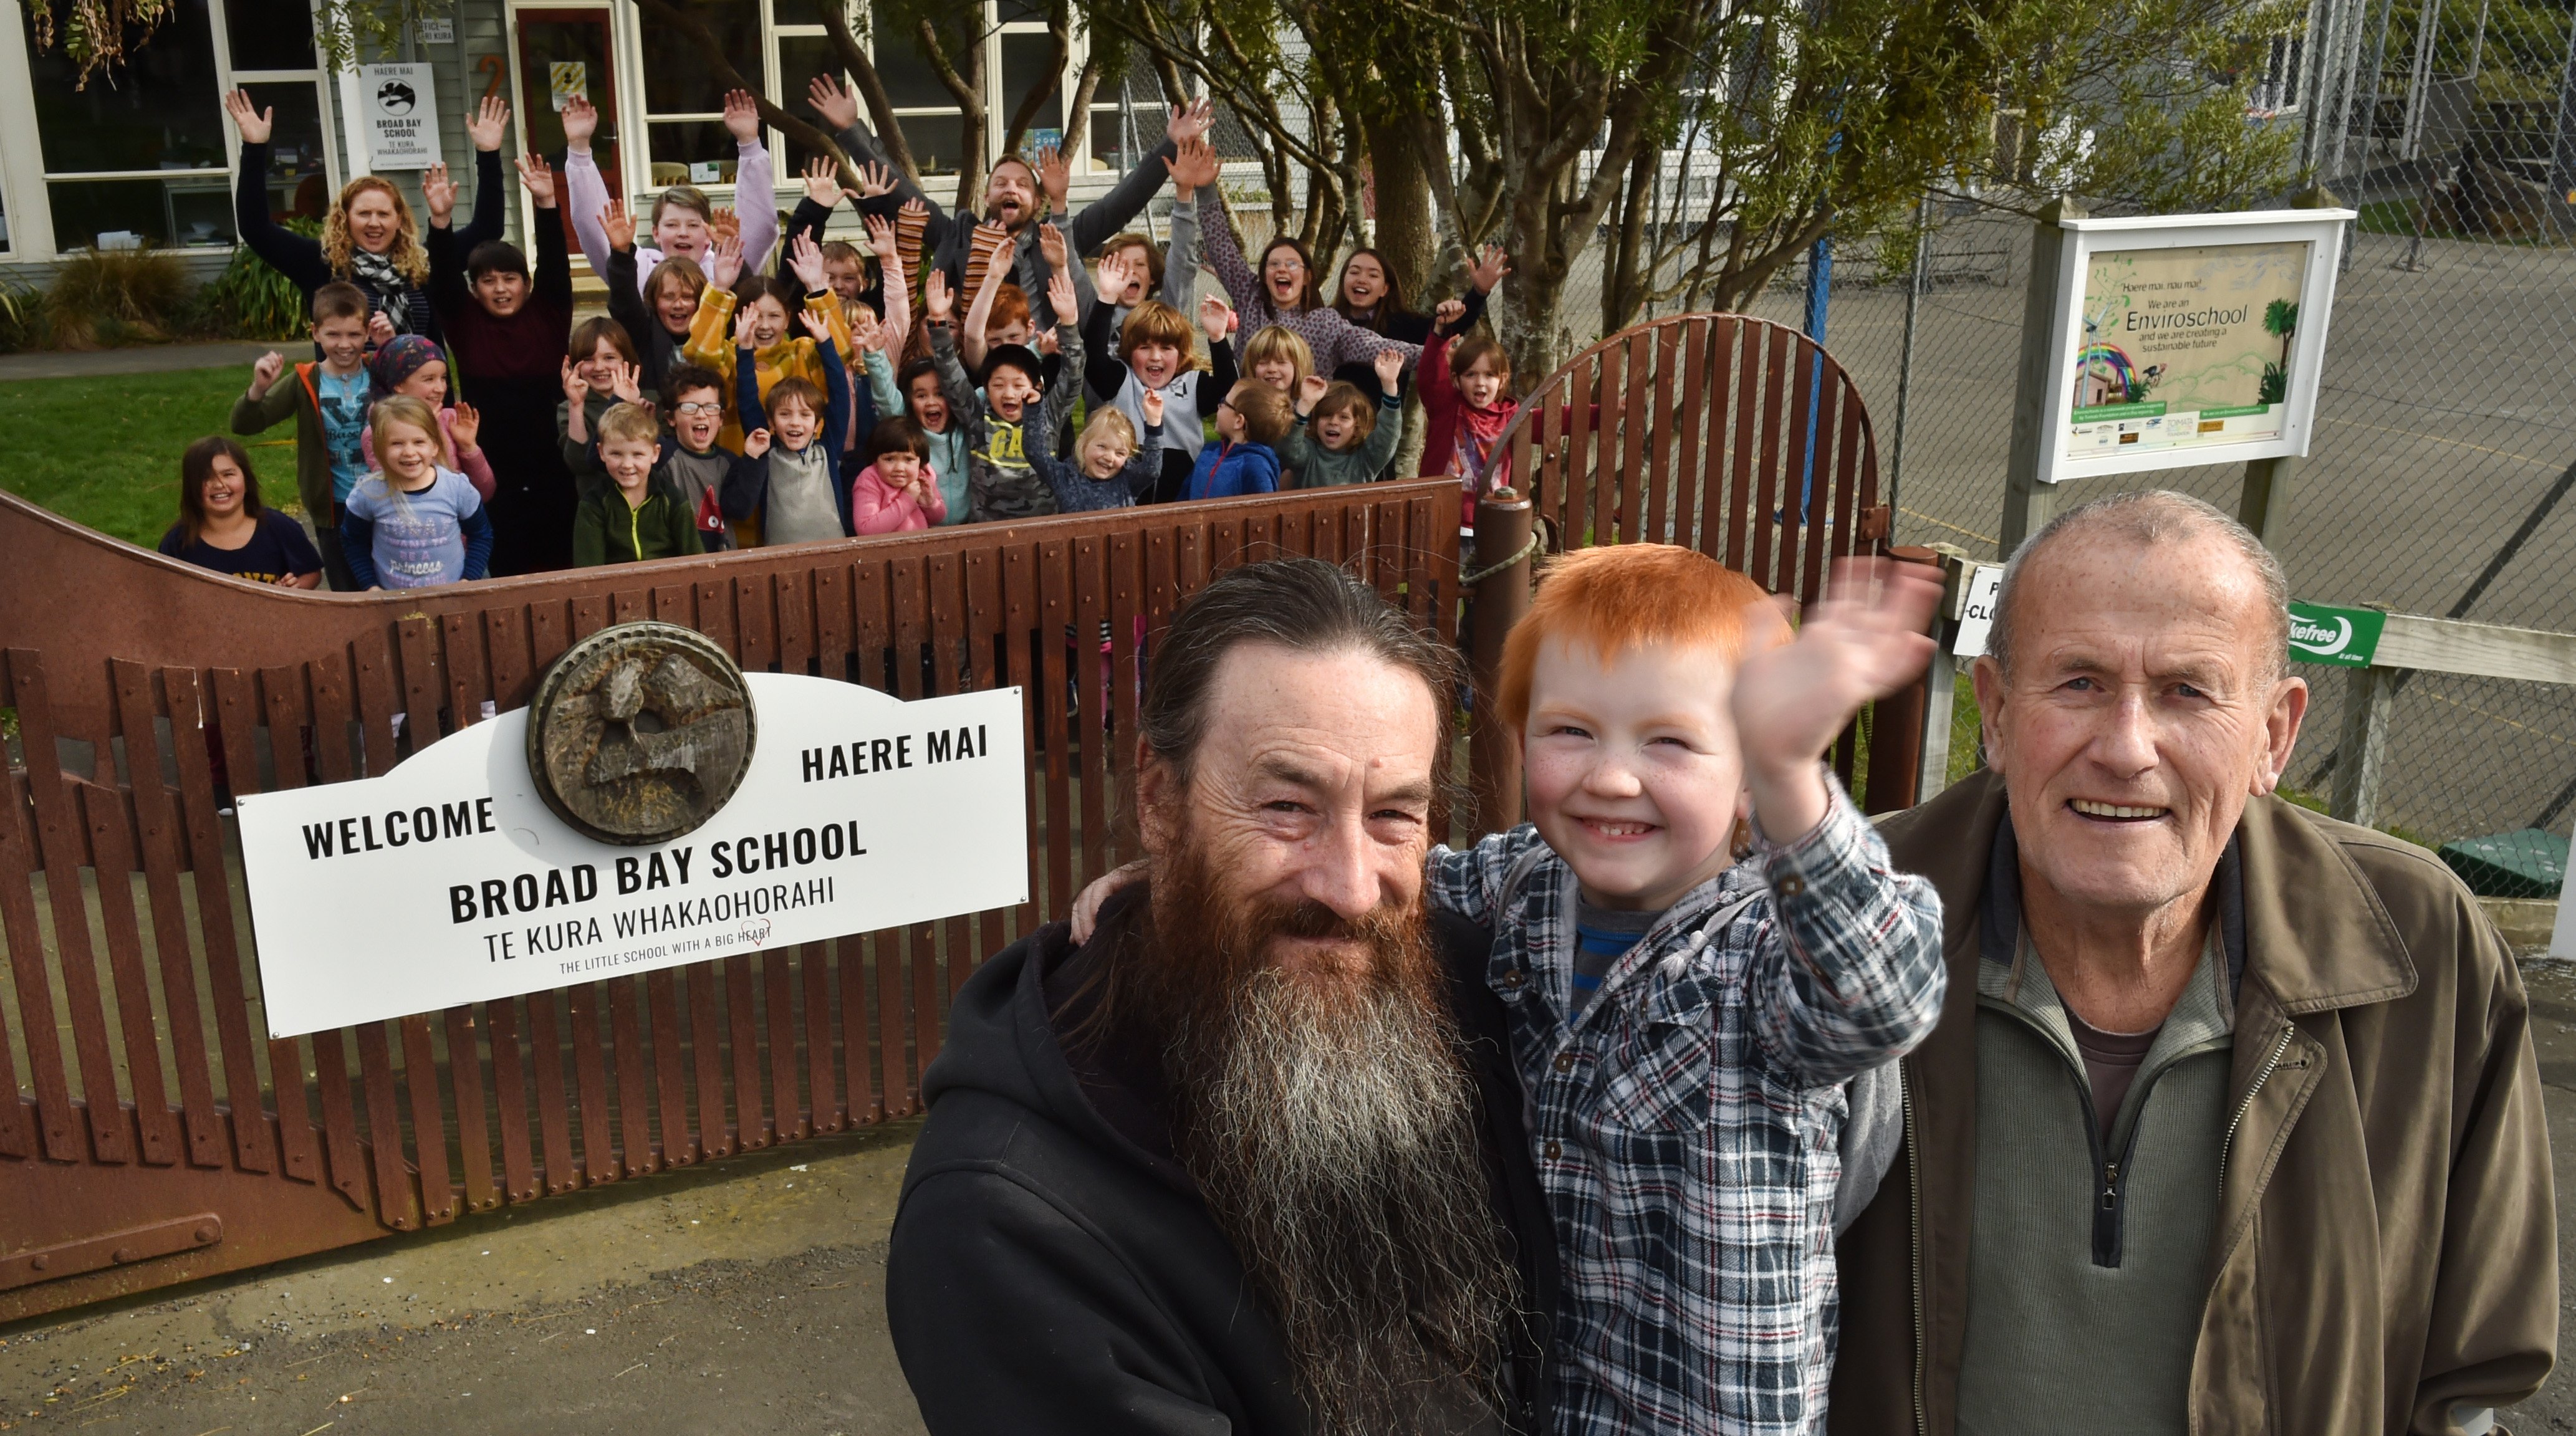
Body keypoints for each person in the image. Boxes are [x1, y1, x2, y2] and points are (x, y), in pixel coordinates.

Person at [1075, 543, 1950, 1435]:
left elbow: (1884, 992)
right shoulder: (1524, 884)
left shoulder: (1762, 953)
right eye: (1571, 730)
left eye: (1672, 741)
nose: (1611, 776)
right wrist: (1175, 872)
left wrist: (1795, 780)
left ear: (1744, 789)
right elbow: (1368, 890)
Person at [1829, 491, 2558, 1436]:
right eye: (2079, 682)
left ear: (2274, 735)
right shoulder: (1833, 924)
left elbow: (2473, 1370)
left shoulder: (2419, 944)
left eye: (2187, 691)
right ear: (1999, 715)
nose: (2127, 749)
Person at [888, 557, 1558, 1436]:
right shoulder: (1002, 1221)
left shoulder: (1476, 986)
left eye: (1395, 814)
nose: (1353, 889)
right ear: (1161, 800)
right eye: (1287, 806)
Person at [806, 74, 1212, 330]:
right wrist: (851, 131)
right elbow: (902, 190)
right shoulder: (957, 234)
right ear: (987, 196)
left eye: (1021, 184)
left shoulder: (1059, 238)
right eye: (1000, 183)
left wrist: (1172, 144)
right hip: (975, 377)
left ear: (1036, 200)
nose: (1010, 189)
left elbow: (1122, 202)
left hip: (1047, 378)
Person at [223, 91, 508, 345]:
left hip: (423, 400)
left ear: (400, 220)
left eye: (384, 214)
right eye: (364, 214)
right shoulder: (322, 265)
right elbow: (255, 227)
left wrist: (488, 154)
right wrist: (254, 147)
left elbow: (488, 229)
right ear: (345, 219)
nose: (375, 223)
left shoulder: (425, 263)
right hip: (353, 401)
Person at [426, 141, 575, 575]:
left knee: (559, 560)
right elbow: (442, 277)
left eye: (510, 278)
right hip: (491, 468)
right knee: (505, 562)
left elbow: (554, 264)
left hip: (553, 463)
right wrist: (440, 222)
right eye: (488, 281)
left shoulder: (548, 314)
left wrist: (547, 204)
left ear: (526, 285)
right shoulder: (464, 321)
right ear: (475, 290)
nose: (501, 288)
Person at [1198, 162, 1419, 379]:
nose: (1282, 269)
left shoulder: (1325, 323)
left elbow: (1375, 347)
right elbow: (1221, 246)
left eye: (1292, 264)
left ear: (1307, 277)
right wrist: (1205, 187)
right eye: (1273, 264)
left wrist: (1436, 355)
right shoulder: (1251, 298)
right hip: (1250, 410)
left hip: (1304, 414)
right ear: (1264, 276)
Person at [228, 282, 373, 591]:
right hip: (335, 507)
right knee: (347, 590)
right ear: (315, 333)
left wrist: (389, 346)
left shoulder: (381, 370)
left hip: (385, 500)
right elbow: (244, 424)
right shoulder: (305, 379)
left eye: (354, 335)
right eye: (333, 334)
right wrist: (259, 389)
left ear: (368, 333)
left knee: (390, 583)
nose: (344, 344)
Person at [562, 92, 776, 299]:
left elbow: (762, 226)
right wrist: (579, 150)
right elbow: (593, 229)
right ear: (655, 233)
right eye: (672, 225)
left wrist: (750, 145)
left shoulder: (727, 267)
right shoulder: (639, 270)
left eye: (693, 225)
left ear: (708, 234)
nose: (683, 233)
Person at [927, 267, 1084, 522]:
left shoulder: (1050, 416)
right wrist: (937, 319)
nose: (1008, 393)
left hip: (1043, 527)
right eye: (998, 385)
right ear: (986, 389)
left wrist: (1068, 323)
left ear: (1037, 387)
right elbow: (950, 372)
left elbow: (1074, 375)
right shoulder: (978, 417)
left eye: (1018, 385)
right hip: (988, 532)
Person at [684, 233, 855, 456]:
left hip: (803, 473)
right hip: (741, 468)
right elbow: (701, 354)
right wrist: (720, 289)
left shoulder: (802, 352)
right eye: (755, 315)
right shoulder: (729, 355)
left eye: (774, 316)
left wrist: (817, 288)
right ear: (738, 317)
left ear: (787, 319)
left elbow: (841, 353)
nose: (764, 326)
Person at [1082, 267, 1236, 505]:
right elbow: (1093, 357)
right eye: (1145, 348)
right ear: (1130, 352)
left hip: (1180, 502)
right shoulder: (1123, 381)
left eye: (1166, 349)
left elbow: (1230, 391)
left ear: (1181, 353)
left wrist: (1217, 338)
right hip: (1123, 503)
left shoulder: (1193, 384)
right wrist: (1107, 298)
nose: (1156, 357)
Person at [724, 310, 855, 545]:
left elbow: (840, 395)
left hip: (833, 557)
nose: (795, 422)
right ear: (772, 423)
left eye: (805, 415)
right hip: (780, 562)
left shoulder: (828, 449)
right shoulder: (767, 452)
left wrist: (825, 343)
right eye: (785, 414)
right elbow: (747, 401)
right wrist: (744, 350)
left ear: (817, 424)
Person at [340, 395, 492, 590]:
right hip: (392, 603)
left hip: (451, 601)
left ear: (435, 446)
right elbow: (353, 541)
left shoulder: (457, 489)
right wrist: (370, 586)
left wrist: (468, 580)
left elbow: (481, 534)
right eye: (397, 444)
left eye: (419, 442)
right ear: (378, 448)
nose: (409, 452)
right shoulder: (368, 493)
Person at [1325, 244, 1507, 396]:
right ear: (1343, 281)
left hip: (1381, 429)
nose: (1362, 280)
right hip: (1325, 424)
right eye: (1355, 272)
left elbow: (1448, 329)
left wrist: (1479, 293)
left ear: (1385, 289)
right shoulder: (1324, 322)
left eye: (1373, 275)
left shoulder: (1403, 324)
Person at [158, 435, 322, 588]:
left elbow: (311, 573)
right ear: (191, 487)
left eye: (228, 474)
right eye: (206, 477)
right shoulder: (177, 543)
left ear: (246, 478)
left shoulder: (279, 527)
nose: (219, 484)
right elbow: (164, 596)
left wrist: (291, 590)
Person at [573, 402, 704, 567]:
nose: (627, 464)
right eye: (616, 454)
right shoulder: (593, 504)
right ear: (601, 452)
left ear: (655, 453)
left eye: (637, 454)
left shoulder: (673, 500)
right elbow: (588, 572)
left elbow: (696, 562)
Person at [360, 335, 492, 500]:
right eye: (429, 379)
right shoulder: (377, 432)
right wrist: (426, 428)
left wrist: (469, 447)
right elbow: (403, 496)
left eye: (443, 378)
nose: (440, 388)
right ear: (398, 384)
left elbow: (485, 493)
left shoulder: (451, 420)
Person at [597, 196, 703, 395]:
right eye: (669, 297)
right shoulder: (645, 333)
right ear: (653, 302)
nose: (678, 304)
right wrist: (621, 254)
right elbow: (625, 305)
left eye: (688, 297)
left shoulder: (712, 333)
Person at [648, 363, 751, 553]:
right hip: (677, 566)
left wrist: (754, 459)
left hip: (722, 563)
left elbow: (741, 510)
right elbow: (603, 457)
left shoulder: (730, 463)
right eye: (689, 407)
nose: (701, 415)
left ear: (721, 418)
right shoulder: (661, 454)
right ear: (671, 418)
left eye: (711, 407)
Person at [1282, 353, 1405, 488]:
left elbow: (1388, 433)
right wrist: (1305, 404)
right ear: (1315, 422)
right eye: (1327, 415)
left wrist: (1390, 385)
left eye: (1344, 417)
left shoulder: (1366, 458)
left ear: (1357, 427)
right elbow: (1288, 450)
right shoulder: (1308, 453)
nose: (1334, 422)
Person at [559, 315, 642, 492]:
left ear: (626, 360)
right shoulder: (570, 408)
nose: (599, 367)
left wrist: (631, 408)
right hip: (599, 511)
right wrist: (576, 406)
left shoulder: (650, 401)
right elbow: (579, 463)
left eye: (609, 357)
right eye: (588, 359)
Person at [1034, 403, 1163, 513]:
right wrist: (1034, 408)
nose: (1109, 458)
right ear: (1084, 443)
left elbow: (1152, 470)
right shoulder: (1065, 477)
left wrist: (1154, 424)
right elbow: (1036, 454)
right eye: (1102, 447)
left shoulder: (1127, 480)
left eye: (1120, 453)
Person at [1180, 380, 1290, 500]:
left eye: (1224, 402)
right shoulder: (1209, 452)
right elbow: (1184, 497)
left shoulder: (1256, 466)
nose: (1219, 406)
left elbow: (1262, 513)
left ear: (1239, 421)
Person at [847, 417, 948, 534]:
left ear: (920, 461)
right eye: (889, 459)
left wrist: (930, 503)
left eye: (909, 459)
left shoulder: (922, 476)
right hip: (885, 551)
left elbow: (938, 518)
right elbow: (866, 529)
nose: (899, 468)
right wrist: (907, 500)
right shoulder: (869, 479)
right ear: (875, 459)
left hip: (920, 549)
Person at [1241, 324, 1314, 397]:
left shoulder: (1308, 404)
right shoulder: (1245, 406)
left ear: (1297, 366)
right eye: (1263, 363)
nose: (1272, 369)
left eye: (1281, 362)